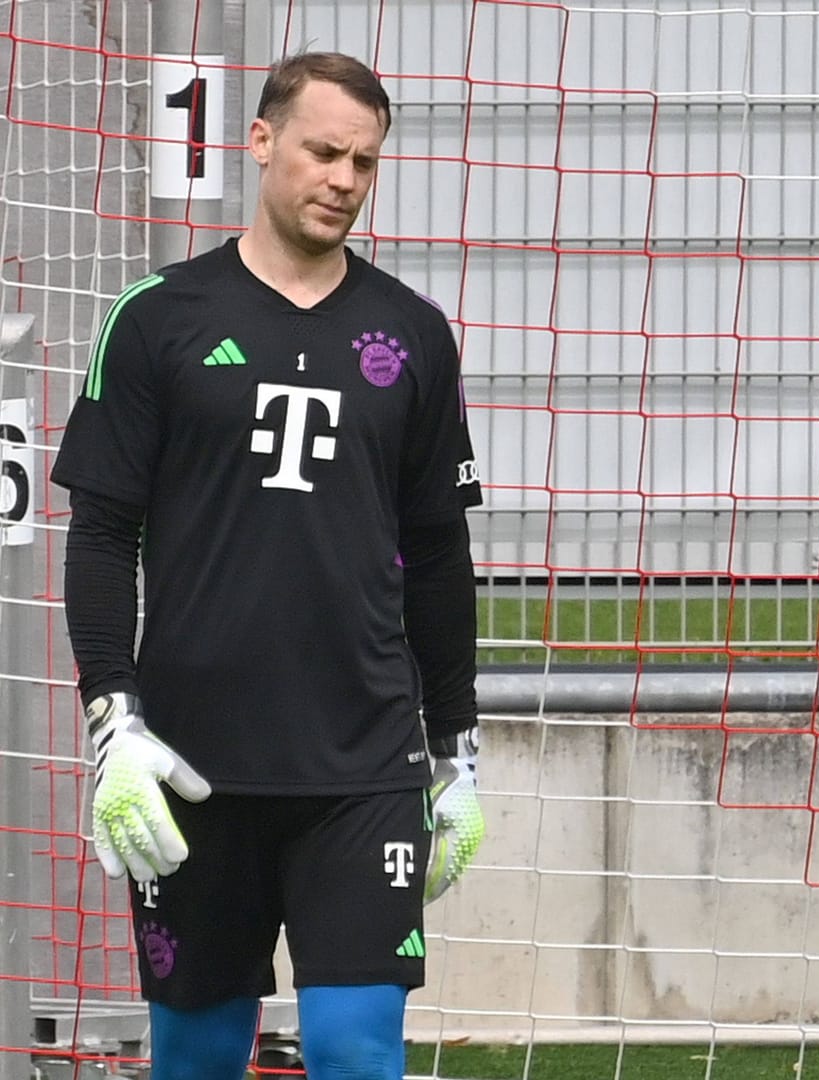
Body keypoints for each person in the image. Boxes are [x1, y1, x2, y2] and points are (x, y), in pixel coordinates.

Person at [53, 52, 486, 1080]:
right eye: (324, 151)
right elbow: (102, 533)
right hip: (194, 768)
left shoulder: (413, 336)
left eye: (364, 163)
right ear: (261, 141)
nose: (343, 178)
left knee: (353, 1048)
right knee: (197, 1054)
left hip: (366, 767)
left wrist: (459, 750)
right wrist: (113, 720)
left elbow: (438, 555)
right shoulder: (158, 317)